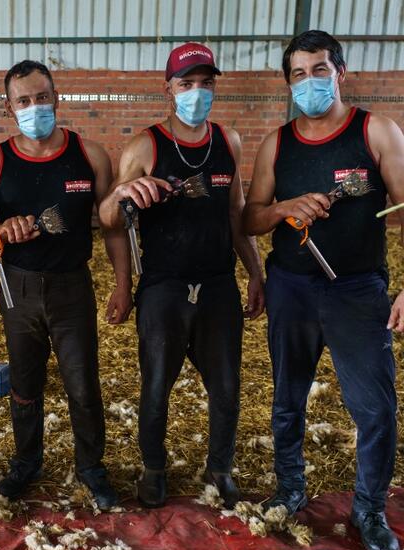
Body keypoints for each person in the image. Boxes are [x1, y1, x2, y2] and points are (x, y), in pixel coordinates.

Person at [243, 30, 404, 550]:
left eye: (319, 70)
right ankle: (290, 487)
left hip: (356, 290)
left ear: (340, 71)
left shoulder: (376, 131)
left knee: (375, 408)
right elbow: (251, 218)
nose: (309, 81)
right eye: (297, 74)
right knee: (288, 399)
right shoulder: (277, 144)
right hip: (291, 285)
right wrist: (285, 207)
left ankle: (369, 509)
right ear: (287, 83)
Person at [0, 59, 131, 509]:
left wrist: (124, 282)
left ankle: (91, 467)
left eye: (42, 97)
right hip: (20, 287)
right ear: (10, 108)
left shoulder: (89, 155)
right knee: (25, 382)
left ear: (57, 97)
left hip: (72, 285)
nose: (35, 107)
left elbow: (112, 225)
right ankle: (26, 462)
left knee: (82, 382)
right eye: (24, 101)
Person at [98, 43, 264, 510]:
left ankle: (220, 469)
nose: (196, 92)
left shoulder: (228, 141)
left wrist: (255, 272)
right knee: (156, 384)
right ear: (168, 87)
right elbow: (110, 218)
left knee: (227, 386)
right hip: (164, 286)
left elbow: (235, 214)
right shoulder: (146, 144)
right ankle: (154, 470)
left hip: (217, 284)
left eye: (205, 84)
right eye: (186, 83)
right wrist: (123, 285)